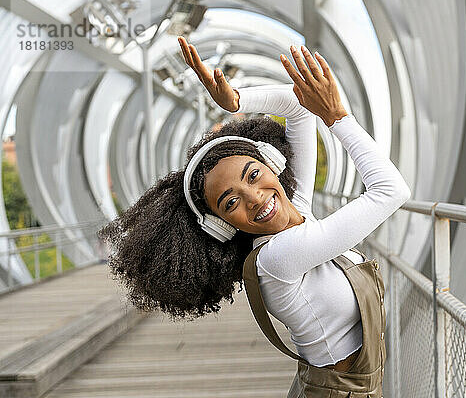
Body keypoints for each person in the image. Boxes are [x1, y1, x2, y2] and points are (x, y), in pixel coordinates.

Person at [98, 36, 411, 397]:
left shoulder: (298, 215)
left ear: (274, 163)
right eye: (230, 203)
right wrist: (337, 116)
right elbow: (392, 191)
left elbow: (297, 107)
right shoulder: (280, 256)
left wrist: (236, 101)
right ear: (220, 226)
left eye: (253, 175)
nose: (256, 198)